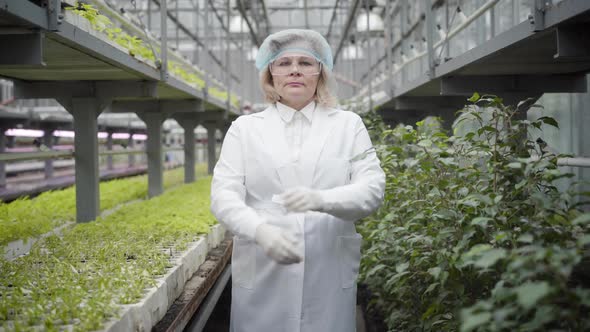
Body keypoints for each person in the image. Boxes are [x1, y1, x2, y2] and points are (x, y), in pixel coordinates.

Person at [210, 29, 385, 332]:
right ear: (271, 73)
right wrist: (259, 230)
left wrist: (323, 199)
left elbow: (372, 189)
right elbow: (223, 195)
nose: (294, 69)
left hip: (327, 269)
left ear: (320, 72)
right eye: (283, 62)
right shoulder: (245, 129)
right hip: (262, 269)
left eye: (306, 62)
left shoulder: (348, 125)